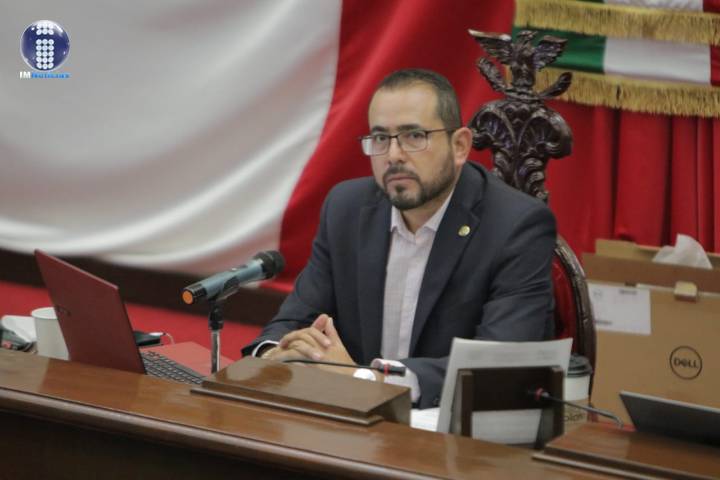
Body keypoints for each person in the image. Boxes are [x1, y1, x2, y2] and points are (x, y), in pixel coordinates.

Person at [242, 68, 556, 409]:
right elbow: (295, 320)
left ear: (460, 146)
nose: (393, 155)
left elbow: (500, 364)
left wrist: (366, 380)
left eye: (414, 136)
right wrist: (275, 355)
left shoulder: (515, 226)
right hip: (349, 420)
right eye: (380, 138)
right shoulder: (346, 209)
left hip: (450, 426)